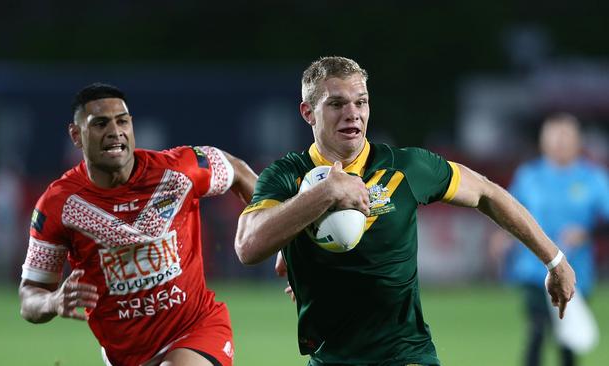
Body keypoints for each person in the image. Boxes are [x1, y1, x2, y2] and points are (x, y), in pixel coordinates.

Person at [234, 56, 576, 365]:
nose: (352, 113)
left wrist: (555, 260)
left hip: (404, 355)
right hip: (329, 358)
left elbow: (486, 192)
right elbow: (248, 245)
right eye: (336, 103)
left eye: (361, 102)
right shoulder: (285, 176)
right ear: (308, 112)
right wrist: (325, 194)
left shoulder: (404, 168)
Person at [19, 83, 257, 366]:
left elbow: (237, 171)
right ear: (76, 135)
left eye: (122, 121)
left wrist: (274, 235)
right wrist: (53, 301)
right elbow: (29, 296)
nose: (114, 131)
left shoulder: (178, 172)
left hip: (196, 328)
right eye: (100, 124)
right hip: (125, 354)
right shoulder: (58, 205)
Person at [493, 114, 609, 366]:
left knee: (568, 338)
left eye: (565, 136)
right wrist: (503, 237)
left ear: (578, 141)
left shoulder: (594, 178)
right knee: (537, 329)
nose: (559, 142)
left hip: (575, 272)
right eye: (553, 136)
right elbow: (508, 212)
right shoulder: (529, 175)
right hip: (534, 269)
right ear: (543, 141)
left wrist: (586, 232)